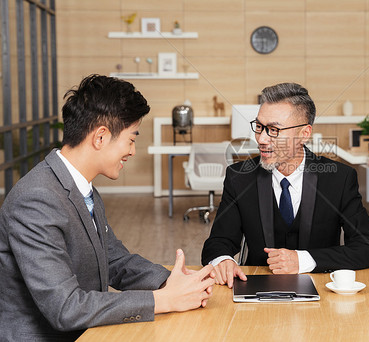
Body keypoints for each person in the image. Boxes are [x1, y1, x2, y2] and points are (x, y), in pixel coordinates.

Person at [0, 75, 215, 341]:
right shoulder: (36, 200)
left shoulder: (81, 187)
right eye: (131, 139)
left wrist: (172, 281)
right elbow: (65, 308)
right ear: (101, 137)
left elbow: (114, 260)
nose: (132, 151)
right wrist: (162, 300)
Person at [202, 82, 369, 287]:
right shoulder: (239, 177)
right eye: (259, 127)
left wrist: (303, 260)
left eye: (274, 130)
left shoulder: (340, 178)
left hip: (321, 294)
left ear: (304, 133)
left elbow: (367, 249)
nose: (261, 138)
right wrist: (223, 259)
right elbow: (217, 243)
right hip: (256, 292)